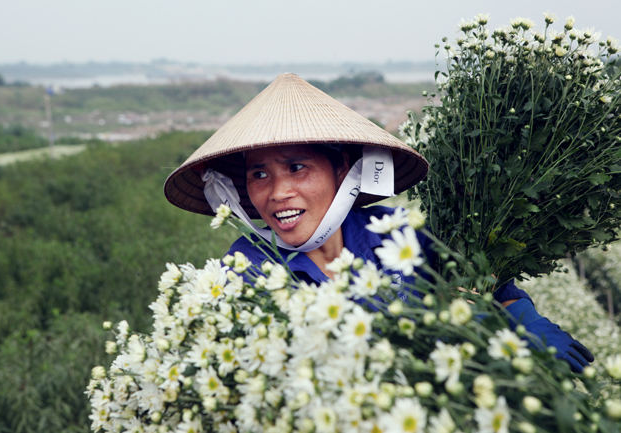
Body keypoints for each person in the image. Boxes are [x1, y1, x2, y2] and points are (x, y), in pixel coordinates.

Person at [164, 73, 594, 372]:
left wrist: (527, 324)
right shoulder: (243, 275)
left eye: (296, 167)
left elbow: (491, 285)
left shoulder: (397, 233)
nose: (276, 193)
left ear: (342, 169)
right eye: (259, 174)